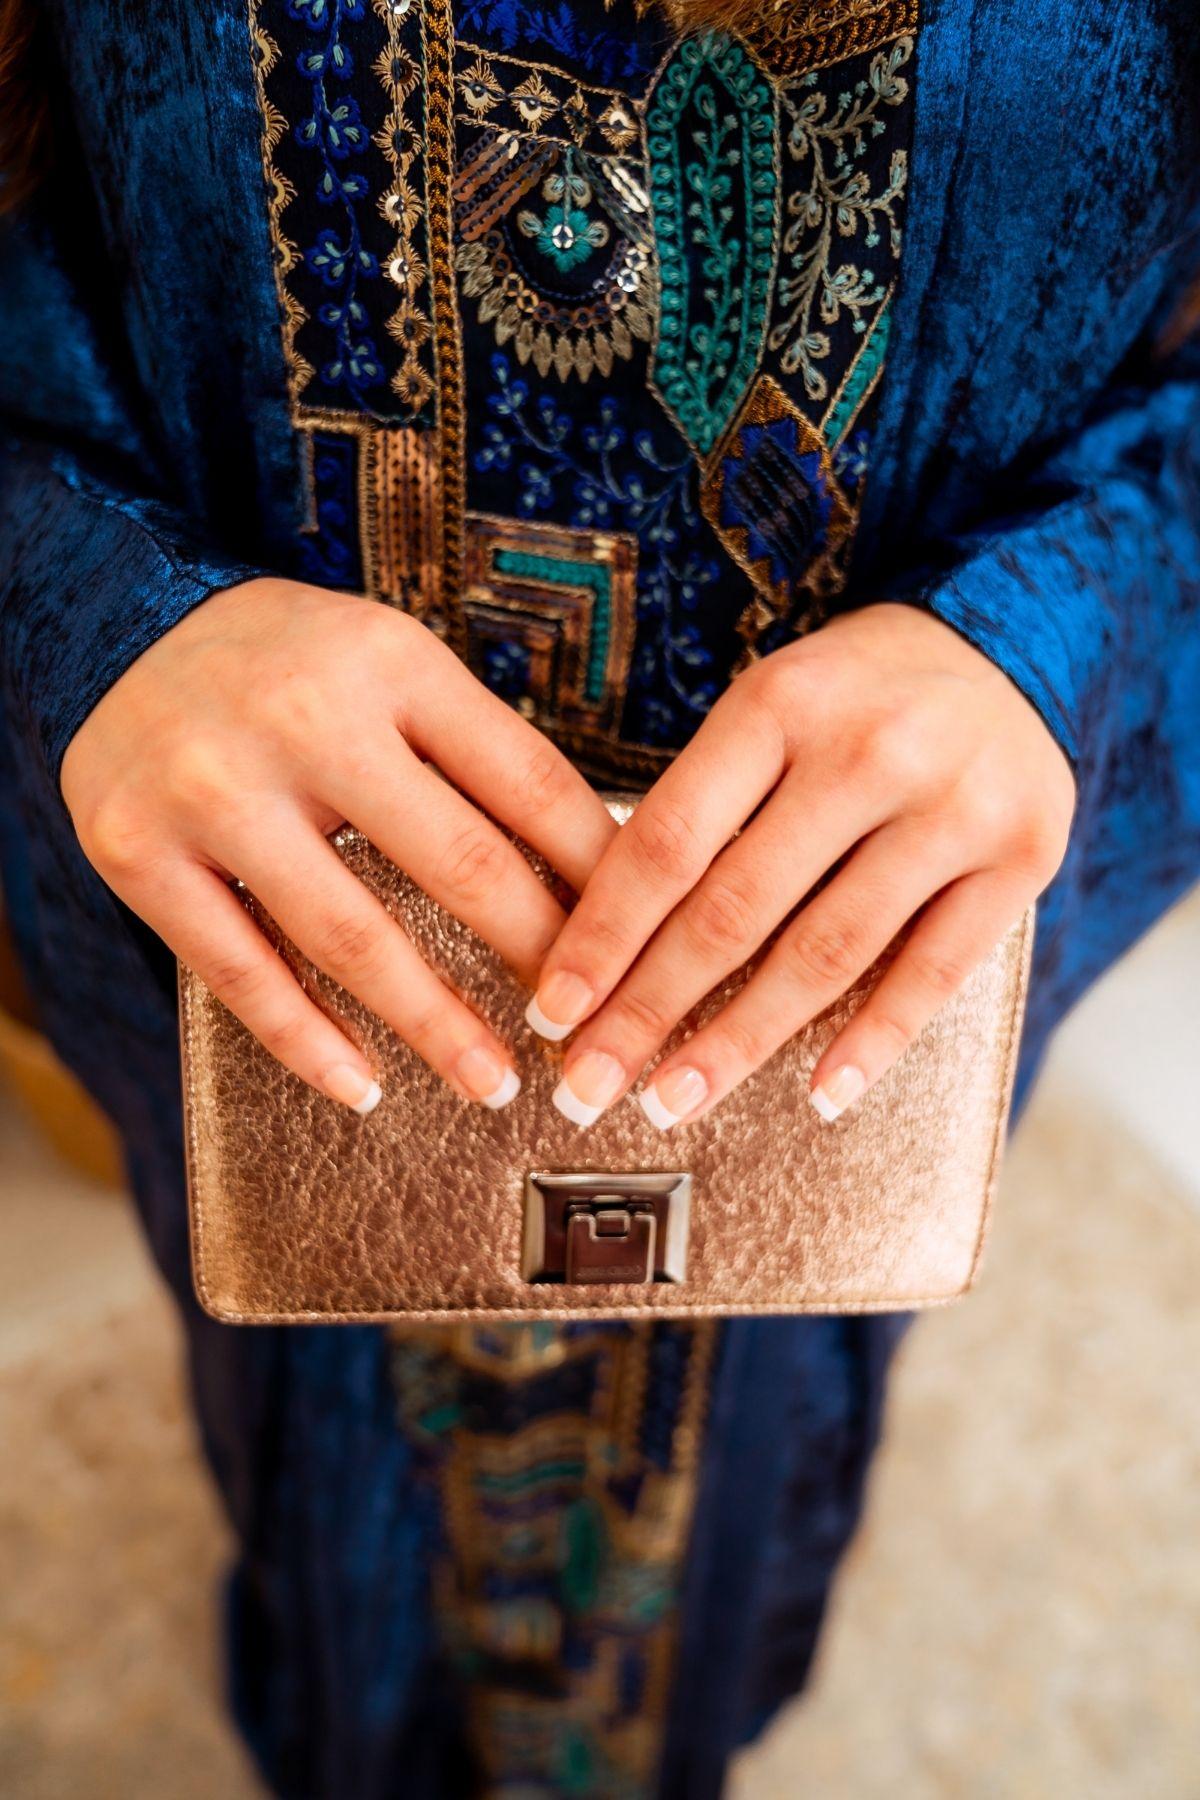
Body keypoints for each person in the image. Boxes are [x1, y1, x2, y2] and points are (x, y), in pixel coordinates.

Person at [1, 0, 1197, 1792]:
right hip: (243, 927)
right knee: (315, 1412)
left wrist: (1070, 628)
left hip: (853, 967)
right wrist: (81, 601)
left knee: (759, 1412)